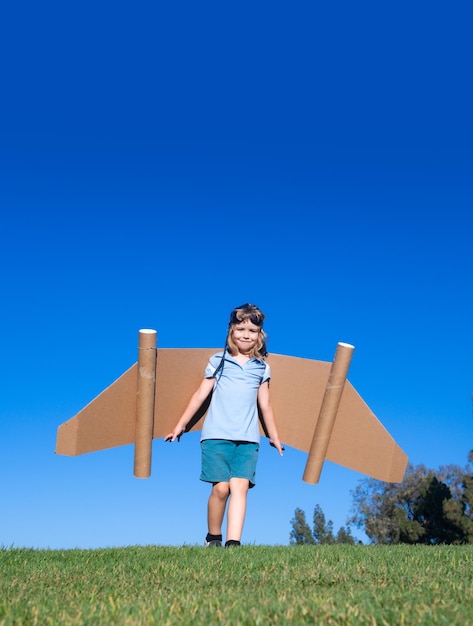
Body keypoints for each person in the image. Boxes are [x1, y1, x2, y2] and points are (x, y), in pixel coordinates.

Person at [165, 303, 283, 547]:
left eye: (252, 330)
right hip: (216, 436)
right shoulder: (218, 361)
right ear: (231, 330)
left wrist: (275, 436)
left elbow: (266, 405)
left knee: (239, 487)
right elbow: (200, 395)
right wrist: (180, 426)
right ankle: (214, 536)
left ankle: (233, 543)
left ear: (260, 335)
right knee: (221, 489)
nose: (246, 334)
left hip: (248, 440)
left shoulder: (262, 367)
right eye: (241, 329)